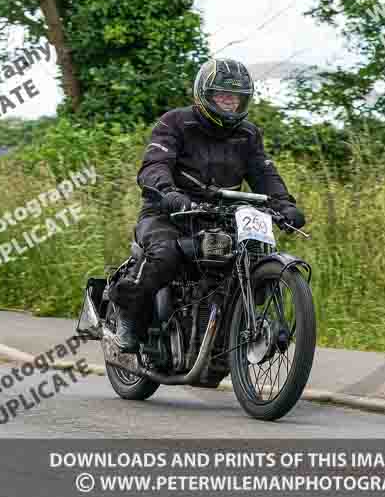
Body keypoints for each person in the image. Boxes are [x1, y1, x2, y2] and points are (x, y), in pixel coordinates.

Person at [109, 58, 306, 353]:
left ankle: (229, 330)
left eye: (236, 98)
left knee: (254, 255)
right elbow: (154, 166)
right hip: (168, 213)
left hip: (222, 217)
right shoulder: (174, 122)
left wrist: (285, 205)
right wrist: (168, 193)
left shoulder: (249, 134)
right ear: (204, 94)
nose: (229, 103)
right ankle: (128, 316)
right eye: (223, 96)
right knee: (165, 254)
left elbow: (264, 173)